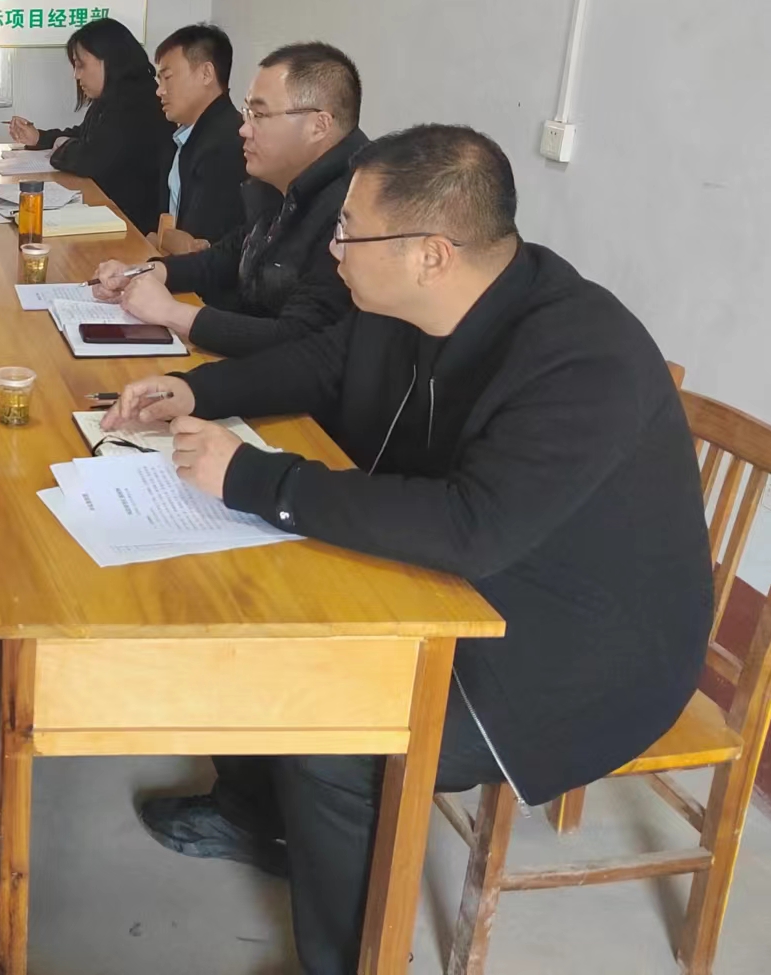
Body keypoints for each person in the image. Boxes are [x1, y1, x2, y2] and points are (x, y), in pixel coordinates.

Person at [104, 125, 712, 975]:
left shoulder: (582, 354)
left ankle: (357, 960)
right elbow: (322, 363)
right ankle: (258, 815)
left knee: (335, 732)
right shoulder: (408, 304)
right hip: (461, 579)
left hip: (577, 652)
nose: (333, 248)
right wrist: (192, 389)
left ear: (431, 254)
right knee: (259, 607)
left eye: (350, 232)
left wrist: (253, 477)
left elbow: (473, 527)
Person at [91, 42, 369, 356]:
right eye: (248, 112)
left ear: (319, 126)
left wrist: (173, 314)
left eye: (259, 115)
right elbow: (232, 254)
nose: (244, 129)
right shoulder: (283, 179)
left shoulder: (355, 206)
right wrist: (147, 272)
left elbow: (300, 338)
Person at [5, 17, 172, 234]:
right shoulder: (114, 97)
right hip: (111, 214)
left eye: (80, 65)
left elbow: (90, 159)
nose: (76, 75)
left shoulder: (136, 103)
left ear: (110, 59)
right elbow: (85, 134)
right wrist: (39, 137)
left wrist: (63, 146)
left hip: (132, 227)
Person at [151, 23, 246, 253]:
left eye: (167, 77)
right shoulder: (187, 136)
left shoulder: (226, 146)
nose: (159, 91)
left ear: (206, 74)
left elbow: (194, 247)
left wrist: (164, 240)